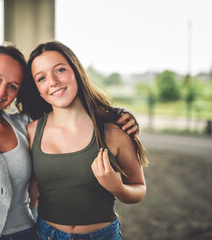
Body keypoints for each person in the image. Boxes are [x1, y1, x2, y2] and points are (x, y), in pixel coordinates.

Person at [0, 43, 139, 240]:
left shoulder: (22, 126)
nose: (1, 91)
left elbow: (67, 108)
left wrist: (119, 114)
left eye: (13, 85)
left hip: (30, 233)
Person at [23, 41, 149, 240]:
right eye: (41, 78)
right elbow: (30, 192)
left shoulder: (114, 131)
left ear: (76, 71)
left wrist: (117, 187)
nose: (53, 81)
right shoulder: (30, 132)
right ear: (38, 89)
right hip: (46, 235)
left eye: (60, 70)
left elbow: (139, 189)